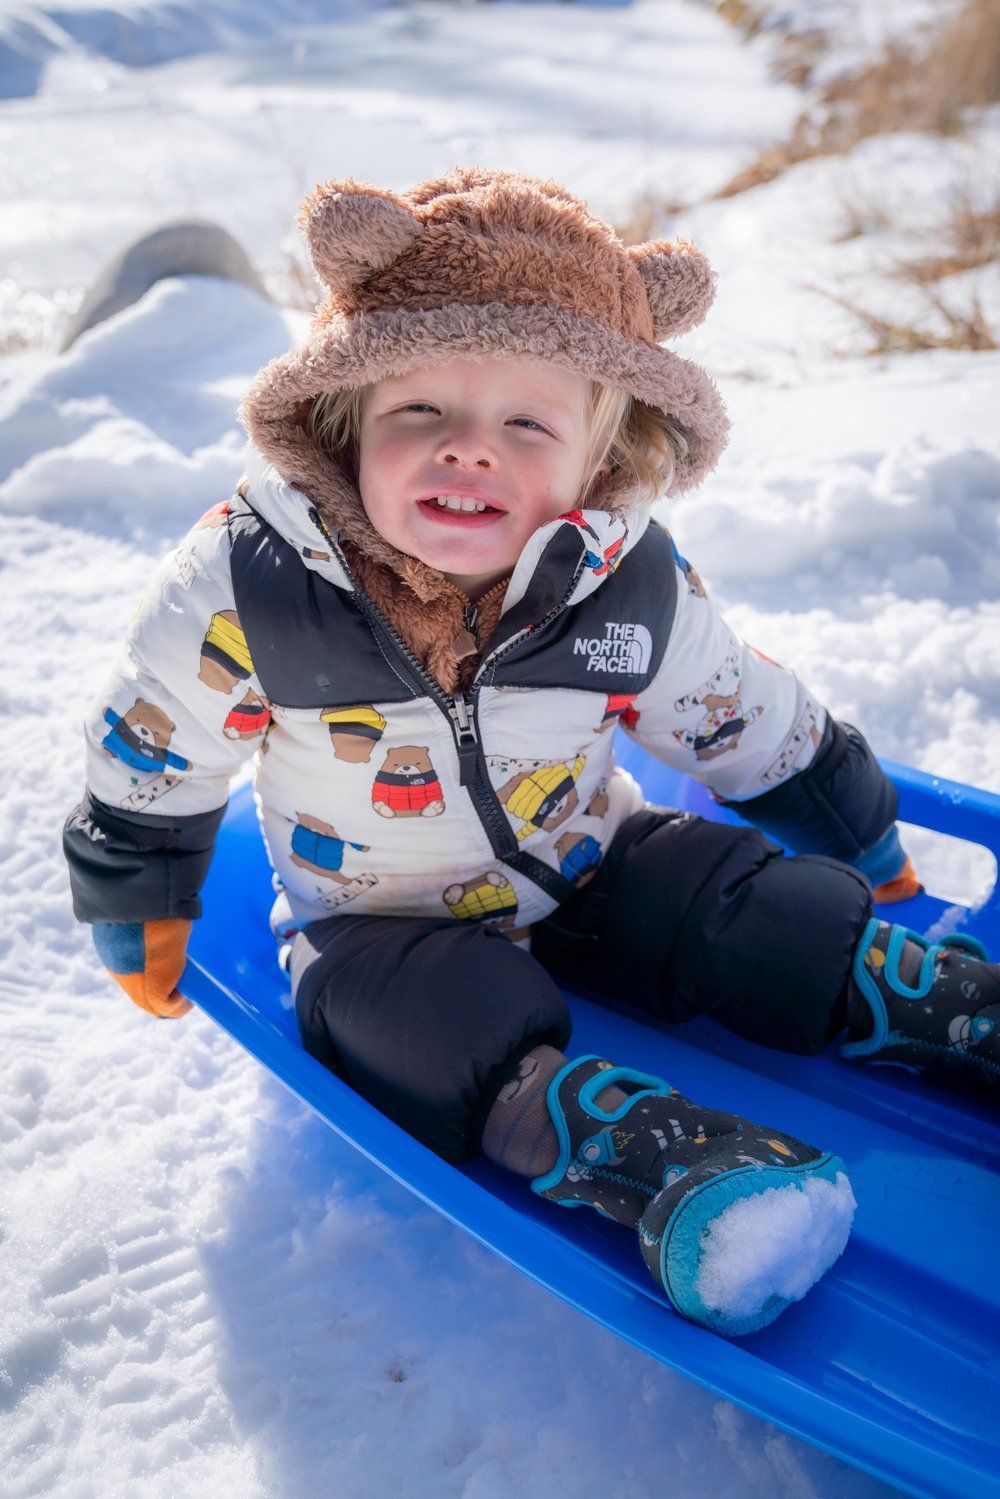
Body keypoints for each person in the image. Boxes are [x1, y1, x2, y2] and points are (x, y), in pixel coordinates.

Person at [63, 166, 999, 1339]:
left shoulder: (622, 583)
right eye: (421, 413)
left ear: (596, 458)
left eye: (525, 422)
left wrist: (852, 825)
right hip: (375, 922)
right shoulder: (254, 583)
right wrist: (134, 898)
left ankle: (925, 1000)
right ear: (344, 420)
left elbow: (745, 713)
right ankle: (646, 1152)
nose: (469, 452)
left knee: (724, 896)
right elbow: (148, 746)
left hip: (582, 859)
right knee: (417, 1031)